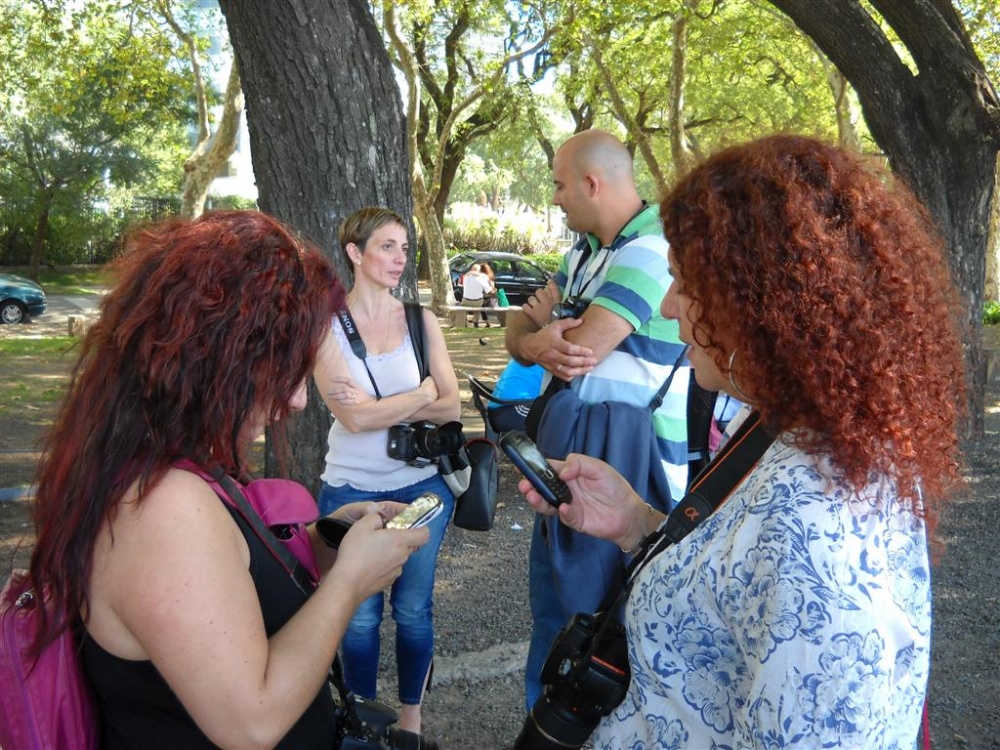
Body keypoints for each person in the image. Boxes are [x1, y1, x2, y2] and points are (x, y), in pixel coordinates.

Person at [518, 134, 966, 748]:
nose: (670, 307)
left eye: (685, 283)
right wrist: (636, 522)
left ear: (762, 302)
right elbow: (739, 592)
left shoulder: (816, 528)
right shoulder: (792, 432)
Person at [25, 210, 430, 748]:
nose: (297, 399)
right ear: (218, 358)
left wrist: (326, 540)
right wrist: (349, 581)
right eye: (284, 370)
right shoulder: (161, 506)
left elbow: (226, 583)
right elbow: (251, 720)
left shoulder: (174, 462)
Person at [505, 128, 690, 708]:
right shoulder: (582, 253)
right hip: (575, 466)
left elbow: (581, 345)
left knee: (606, 632)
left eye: (560, 186)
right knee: (555, 619)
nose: (556, 198)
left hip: (632, 473)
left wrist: (540, 334)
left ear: (592, 182)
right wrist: (534, 339)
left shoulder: (653, 248)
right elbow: (520, 330)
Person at [313, 206, 461, 734]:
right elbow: (350, 418)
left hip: (420, 489)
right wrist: (419, 393)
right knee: (358, 615)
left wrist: (391, 406)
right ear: (355, 253)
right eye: (386, 247)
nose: (400, 259)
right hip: (348, 490)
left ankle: (410, 722)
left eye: (404, 247)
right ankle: (362, 717)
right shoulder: (325, 327)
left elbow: (451, 408)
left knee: (415, 610)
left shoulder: (420, 321)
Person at [461, 262, 493, 327]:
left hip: (466, 301)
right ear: (479, 271)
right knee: (479, 306)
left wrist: (469, 273)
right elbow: (489, 290)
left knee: (466, 303)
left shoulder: (466, 278)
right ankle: (476, 323)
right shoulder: (482, 279)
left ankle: (465, 322)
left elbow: (463, 281)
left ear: (471, 270)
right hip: (478, 302)